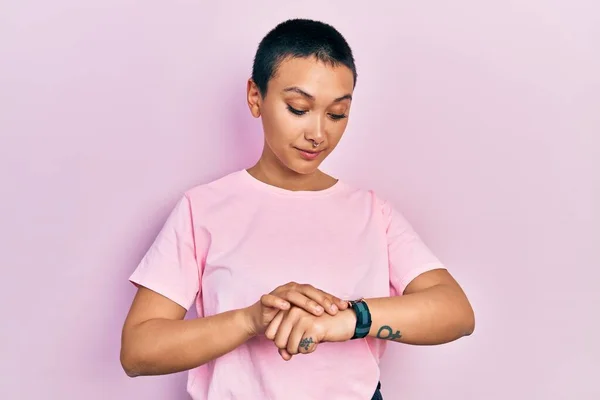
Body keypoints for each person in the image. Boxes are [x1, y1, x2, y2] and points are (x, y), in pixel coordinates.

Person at [120, 18, 475, 400]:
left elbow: (456, 311)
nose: (318, 133)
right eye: (298, 108)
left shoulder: (372, 213)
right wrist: (250, 320)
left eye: (337, 114)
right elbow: (139, 351)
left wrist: (349, 320)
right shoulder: (202, 209)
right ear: (256, 97)